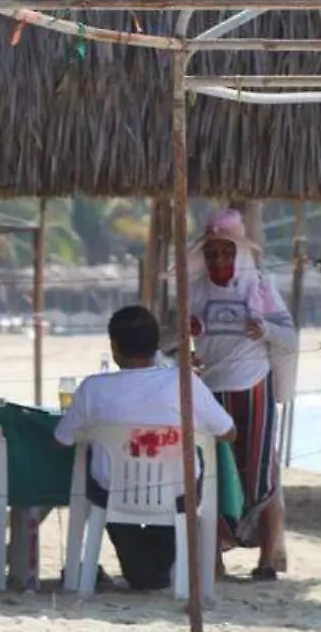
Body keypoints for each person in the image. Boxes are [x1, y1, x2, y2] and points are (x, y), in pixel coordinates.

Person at [55, 305, 236, 591]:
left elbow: (62, 440)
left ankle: (144, 570)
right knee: (175, 497)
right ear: (156, 347)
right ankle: (152, 570)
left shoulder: (93, 388)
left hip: (112, 494)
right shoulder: (185, 383)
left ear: (113, 347)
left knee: (103, 482)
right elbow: (228, 432)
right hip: (177, 493)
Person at [188, 208, 298, 581]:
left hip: (253, 387)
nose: (219, 260)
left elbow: (290, 337)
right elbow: (172, 340)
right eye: (212, 253)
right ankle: (215, 560)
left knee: (262, 471)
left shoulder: (261, 289)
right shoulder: (196, 290)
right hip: (210, 391)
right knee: (211, 473)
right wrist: (184, 333)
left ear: (240, 253)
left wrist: (263, 329)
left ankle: (267, 560)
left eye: (226, 252)